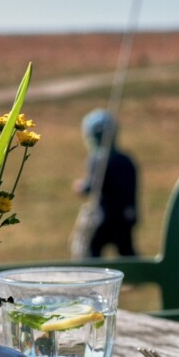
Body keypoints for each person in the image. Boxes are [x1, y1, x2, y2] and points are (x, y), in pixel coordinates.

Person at [73, 109, 138, 257]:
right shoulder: (127, 160)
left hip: (104, 218)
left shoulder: (98, 160)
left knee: (91, 253)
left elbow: (93, 185)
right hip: (126, 216)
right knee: (127, 253)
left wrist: (81, 187)